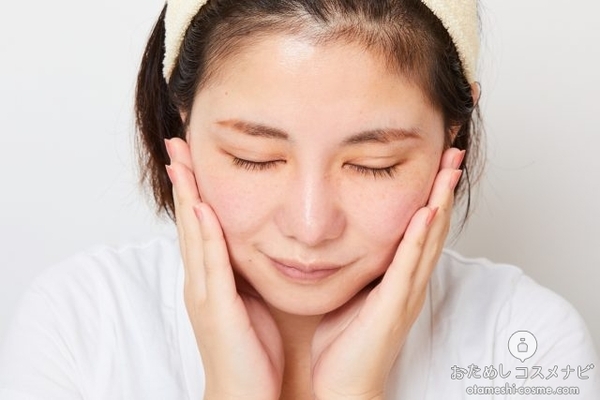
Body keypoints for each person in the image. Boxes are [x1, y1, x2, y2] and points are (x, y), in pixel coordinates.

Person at [0, 0, 598, 399]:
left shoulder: (523, 344)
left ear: (452, 133)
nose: (310, 227)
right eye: (254, 157)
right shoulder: (82, 325)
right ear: (180, 118)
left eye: (373, 165)